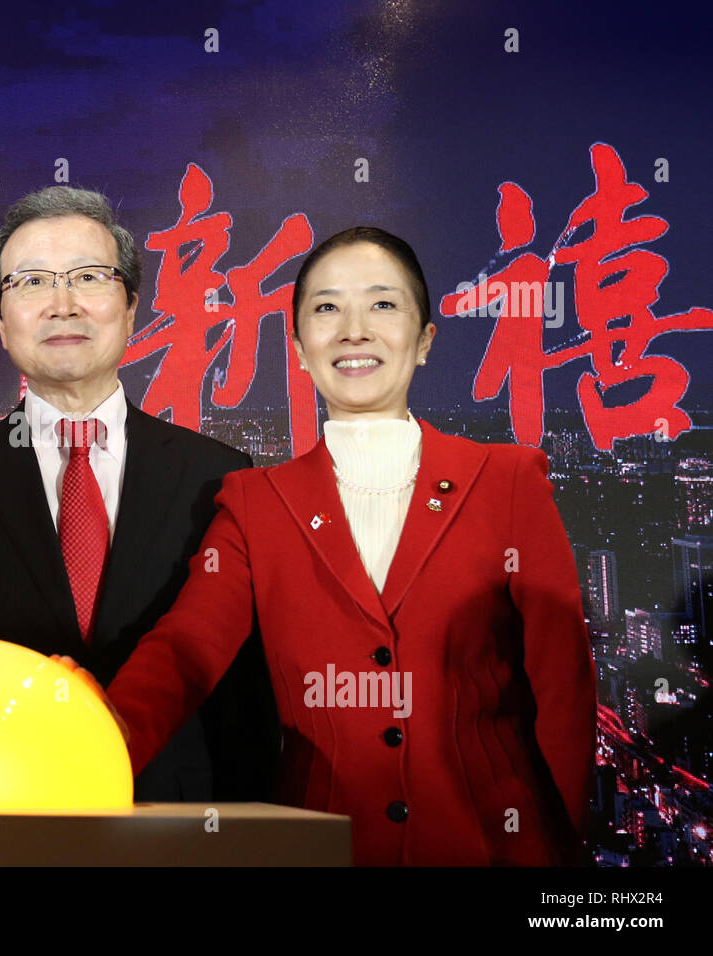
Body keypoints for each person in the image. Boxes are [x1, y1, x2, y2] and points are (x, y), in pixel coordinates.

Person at [101, 226, 597, 864]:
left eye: (383, 304)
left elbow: (563, 682)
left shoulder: (508, 481)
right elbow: (188, 647)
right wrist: (97, 731)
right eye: (327, 307)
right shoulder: (255, 503)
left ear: (424, 342)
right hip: (323, 845)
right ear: (301, 347)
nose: (353, 330)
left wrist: (562, 846)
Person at [0, 185, 278, 802]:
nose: (63, 304)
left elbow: (240, 698)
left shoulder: (218, 475)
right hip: (0, 804)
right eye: (31, 283)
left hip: (178, 820)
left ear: (132, 307)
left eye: (89, 277)